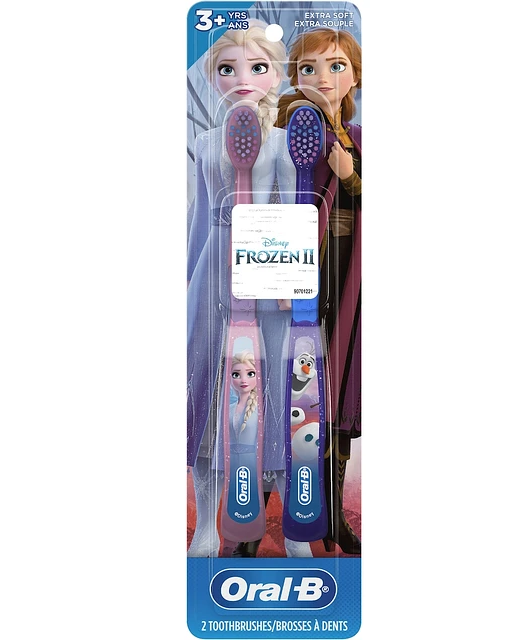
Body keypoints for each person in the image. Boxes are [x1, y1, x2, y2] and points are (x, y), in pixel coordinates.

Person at [186, 21, 311, 558]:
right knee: (207, 390)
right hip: (212, 269)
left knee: (281, 390)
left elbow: (294, 211)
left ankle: (296, 527)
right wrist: (189, 279)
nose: (242, 77)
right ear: (212, 78)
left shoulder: (284, 142)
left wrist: (293, 280)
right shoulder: (205, 141)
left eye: (257, 67)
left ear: (276, 76)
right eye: (227, 68)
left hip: (269, 271)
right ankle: (206, 527)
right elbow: (198, 217)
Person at [276, 27, 362, 554]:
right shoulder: (295, 124)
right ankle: (284, 509)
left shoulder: (358, 137)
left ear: (355, 75)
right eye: (308, 68)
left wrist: (350, 176)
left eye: (336, 66)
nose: (323, 78)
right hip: (307, 274)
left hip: (352, 275)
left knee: (343, 383)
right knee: (296, 386)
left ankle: (331, 512)